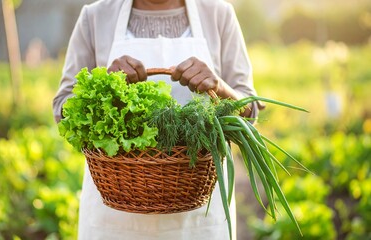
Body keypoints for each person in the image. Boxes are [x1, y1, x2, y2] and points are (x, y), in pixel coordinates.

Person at [53, 0, 262, 239]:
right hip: (115, 215)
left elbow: (250, 110)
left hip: (199, 217)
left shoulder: (218, 14)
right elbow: (63, 108)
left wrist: (220, 86)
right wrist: (106, 85)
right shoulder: (95, 16)